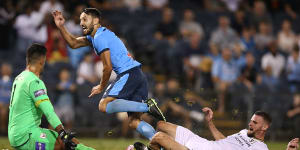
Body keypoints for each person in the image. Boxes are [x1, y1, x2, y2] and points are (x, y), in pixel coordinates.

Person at [52, 8, 166, 141]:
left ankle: (147, 107)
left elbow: (107, 67)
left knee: (103, 105)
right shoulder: (97, 36)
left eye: (85, 19)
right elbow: (73, 43)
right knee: (134, 121)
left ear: (95, 20)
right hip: (137, 75)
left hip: (127, 74)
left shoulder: (99, 37)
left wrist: (101, 86)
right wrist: (61, 26)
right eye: (80, 19)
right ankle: (160, 142)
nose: (81, 23)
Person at [8, 43, 94, 150]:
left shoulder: (19, 78)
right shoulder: (34, 81)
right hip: (26, 136)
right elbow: (48, 112)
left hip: (15, 134)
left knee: (60, 140)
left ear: (27, 59)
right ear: (42, 61)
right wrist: (62, 133)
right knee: (65, 143)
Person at [135, 107, 272, 150]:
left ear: (265, 127)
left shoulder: (261, 147)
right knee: (161, 125)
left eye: (254, 122)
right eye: (251, 121)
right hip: (204, 143)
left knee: (159, 137)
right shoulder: (244, 133)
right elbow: (223, 140)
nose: (250, 124)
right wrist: (210, 122)